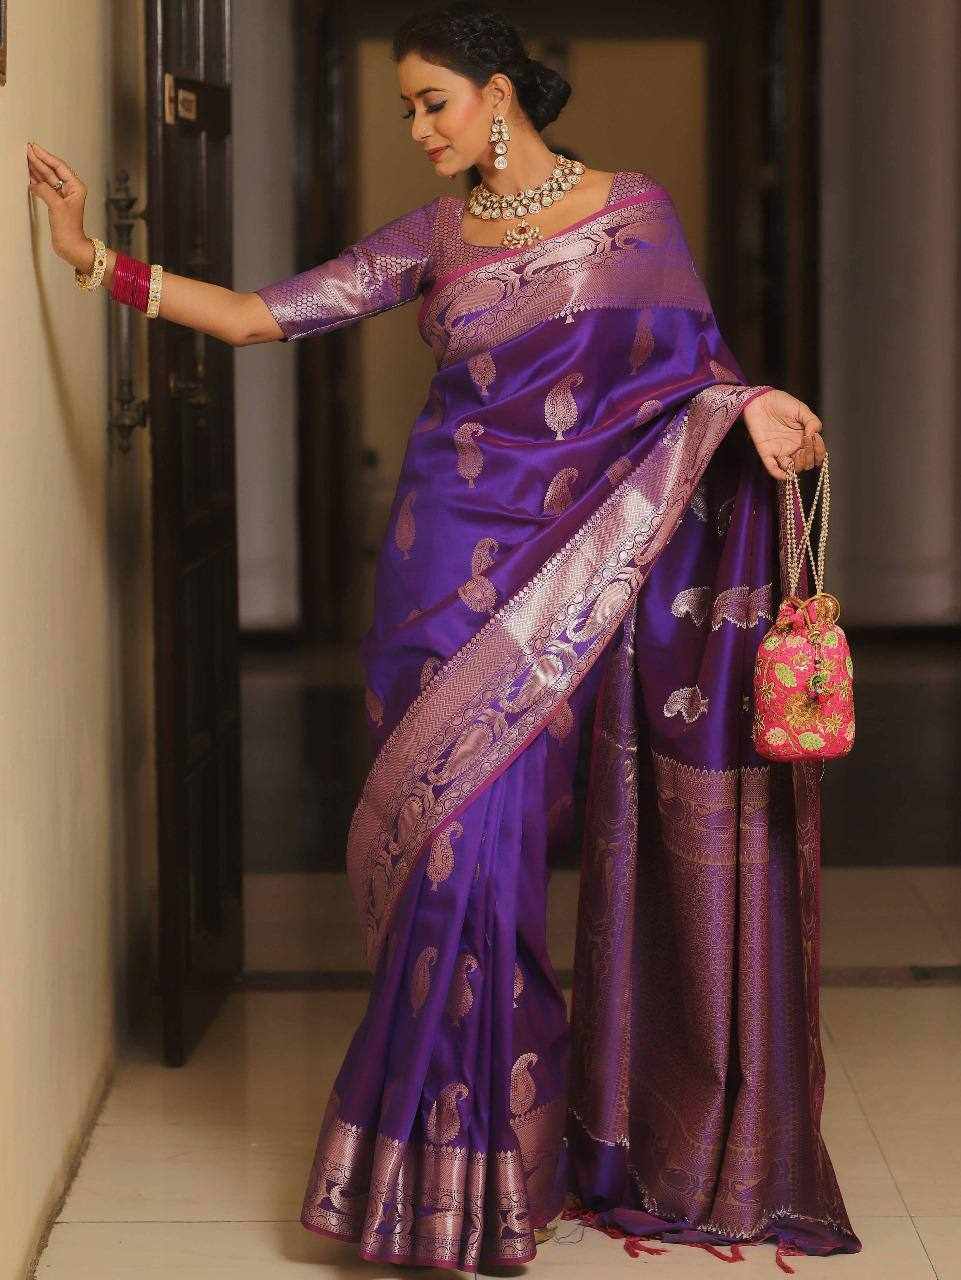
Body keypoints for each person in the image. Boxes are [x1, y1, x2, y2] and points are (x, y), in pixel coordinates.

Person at [27, 1, 861, 1271]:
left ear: (498, 95)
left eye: (433, 102)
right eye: (407, 108)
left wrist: (748, 406)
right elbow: (260, 315)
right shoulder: (434, 235)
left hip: (559, 587)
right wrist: (91, 254)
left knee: (489, 864)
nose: (417, 128)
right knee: (438, 873)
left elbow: (689, 377)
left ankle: (492, 1168)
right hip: (435, 579)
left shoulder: (634, 213)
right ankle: (439, 1184)